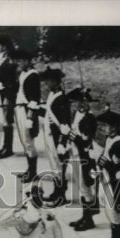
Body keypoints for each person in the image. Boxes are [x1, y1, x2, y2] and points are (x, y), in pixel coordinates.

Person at [94, 107, 120, 238]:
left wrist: (103, 162)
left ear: (114, 127)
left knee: (114, 213)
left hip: (116, 182)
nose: (103, 128)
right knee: (108, 211)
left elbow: (115, 167)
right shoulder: (110, 139)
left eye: (106, 126)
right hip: (106, 179)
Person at [65, 87, 99, 231]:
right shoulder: (75, 114)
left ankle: (89, 219)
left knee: (86, 186)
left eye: (82, 101)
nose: (79, 104)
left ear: (87, 102)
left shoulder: (90, 118)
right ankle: (85, 216)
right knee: (80, 185)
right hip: (75, 153)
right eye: (77, 101)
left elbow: (84, 141)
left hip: (85, 156)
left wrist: (71, 135)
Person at [14, 49, 42, 182]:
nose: (19, 62)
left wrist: (31, 117)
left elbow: (34, 99)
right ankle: (29, 169)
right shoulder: (23, 73)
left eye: (22, 60)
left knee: (29, 141)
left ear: (28, 61)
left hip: (27, 112)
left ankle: (33, 173)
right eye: (18, 60)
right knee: (24, 141)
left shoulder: (33, 75)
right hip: (20, 109)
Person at [41, 67, 70, 196]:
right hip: (49, 134)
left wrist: (62, 142)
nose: (46, 83)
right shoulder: (52, 94)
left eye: (48, 80)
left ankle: (60, 193)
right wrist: (36, 108)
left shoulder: (62, 98)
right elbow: (48, 113)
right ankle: (58, 190)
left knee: (59, 165)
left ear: (55, 81)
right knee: (53, 163)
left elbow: (65, 123)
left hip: (56, 136)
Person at [0, 35, 18, 159]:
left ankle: (9, 148)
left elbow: (13, 79)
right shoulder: (0, 57)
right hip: (0, 91)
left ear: (4, 47)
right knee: (3, 118)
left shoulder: (10, 59)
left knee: (8, 119)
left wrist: (5, 88)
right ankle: (5, 145)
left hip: (8, 93)